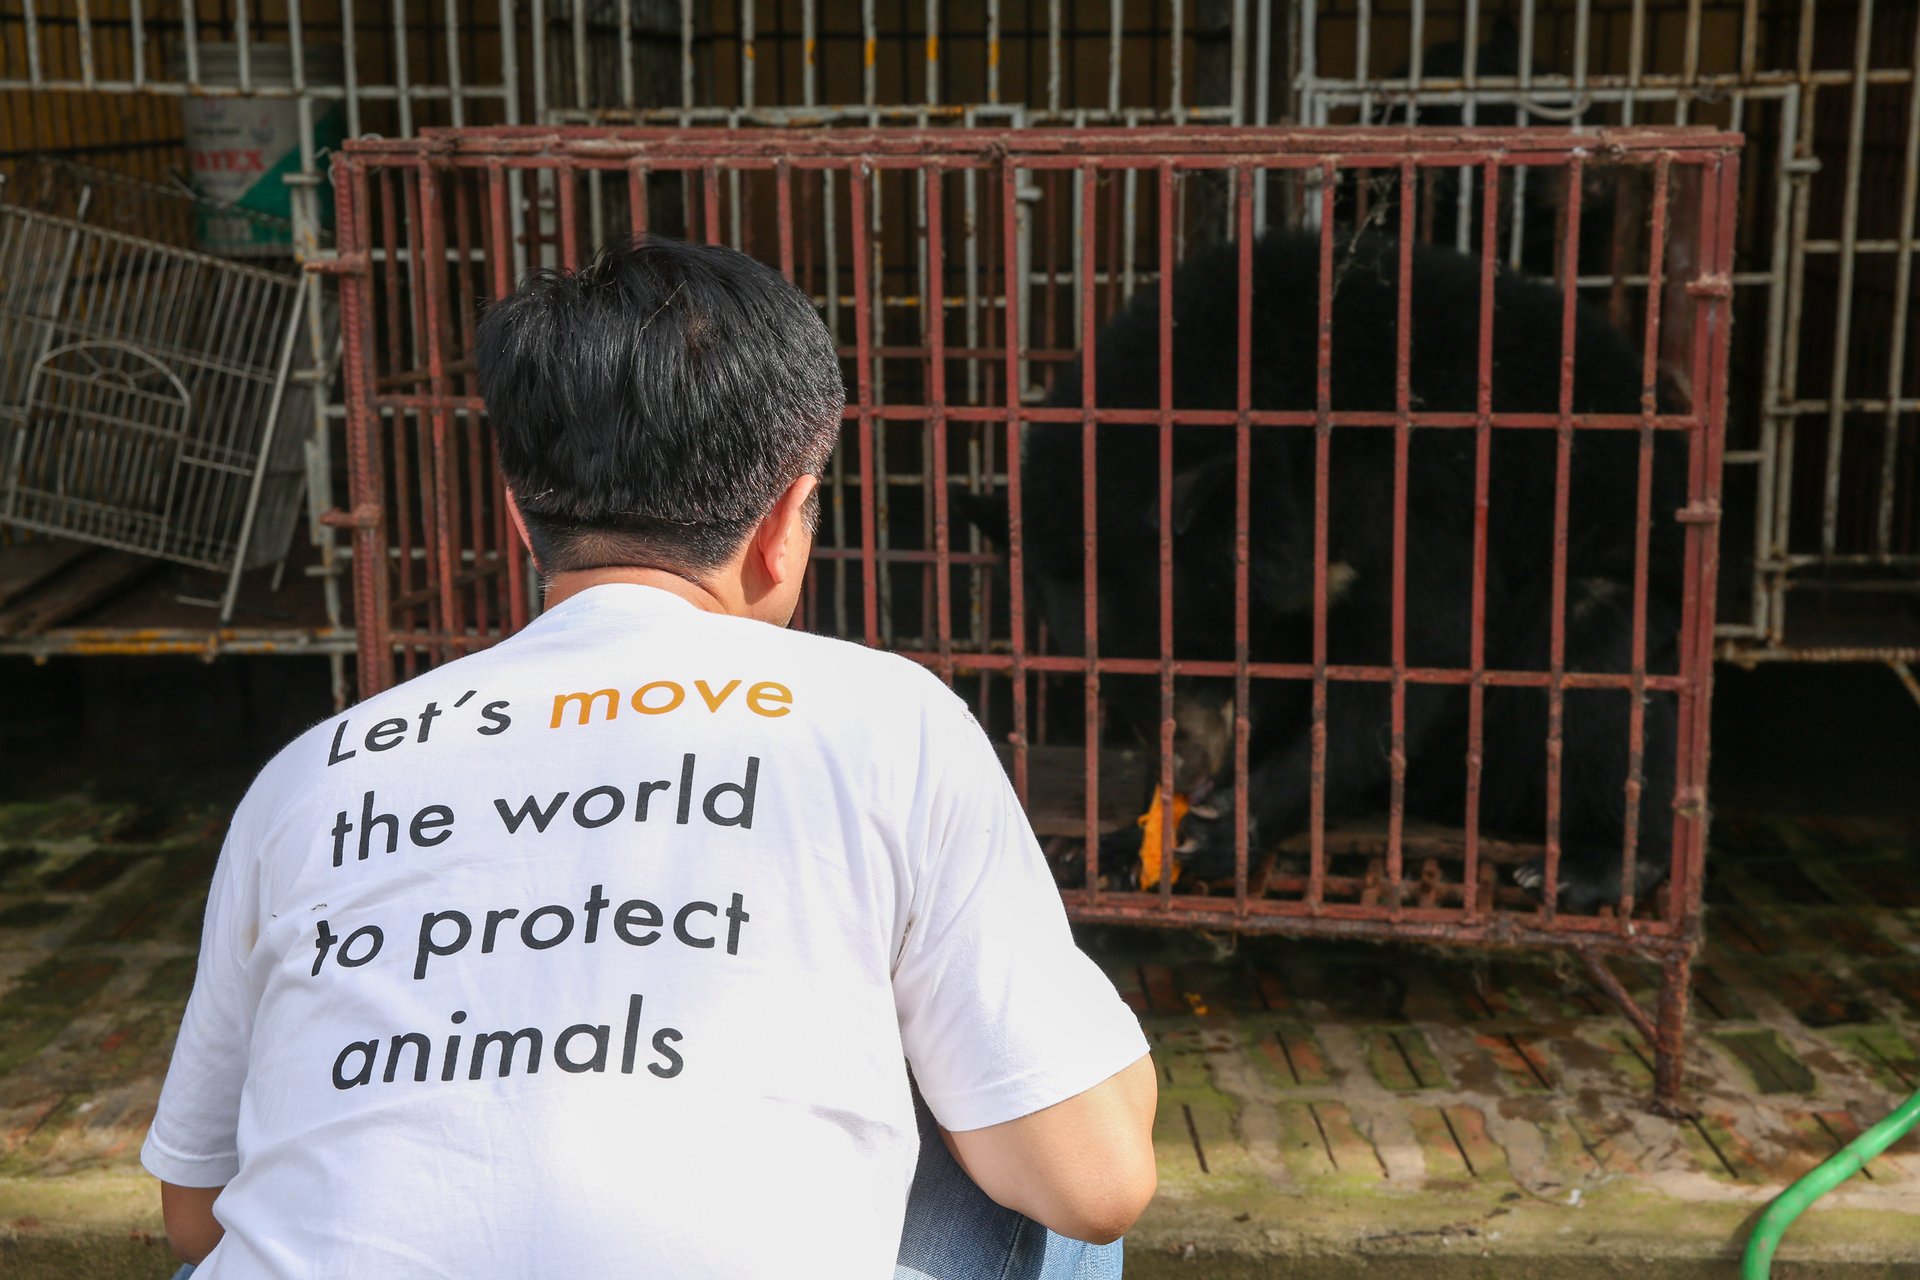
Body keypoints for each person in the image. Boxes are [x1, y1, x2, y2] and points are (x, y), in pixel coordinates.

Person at [142, 235, 1158, 1278]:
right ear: (781, 523)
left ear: (517, 518)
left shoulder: (317, 770)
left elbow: (197, 1213)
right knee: (1033, 1145)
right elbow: (1096, 1181)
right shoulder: (886, 718)